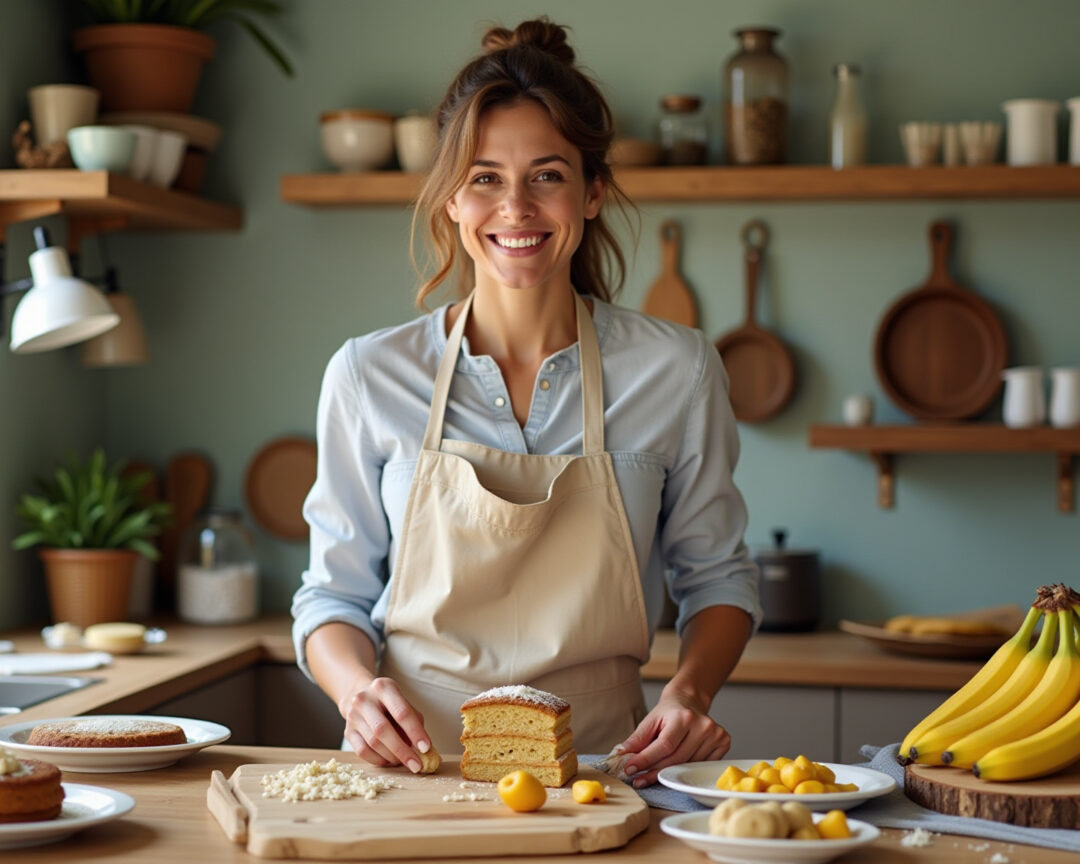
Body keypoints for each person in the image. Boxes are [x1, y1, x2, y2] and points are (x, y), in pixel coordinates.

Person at [291, 17, 760, 790]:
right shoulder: (368, 374)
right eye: (484, 178)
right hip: (412, 773)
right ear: (449, 198)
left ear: (593, 191)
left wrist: (690, 691)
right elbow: (332, 595)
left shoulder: (678, 370)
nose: (516, 208)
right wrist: (355, 690)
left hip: (605, 772)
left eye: (546, 175)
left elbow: (718, 579)